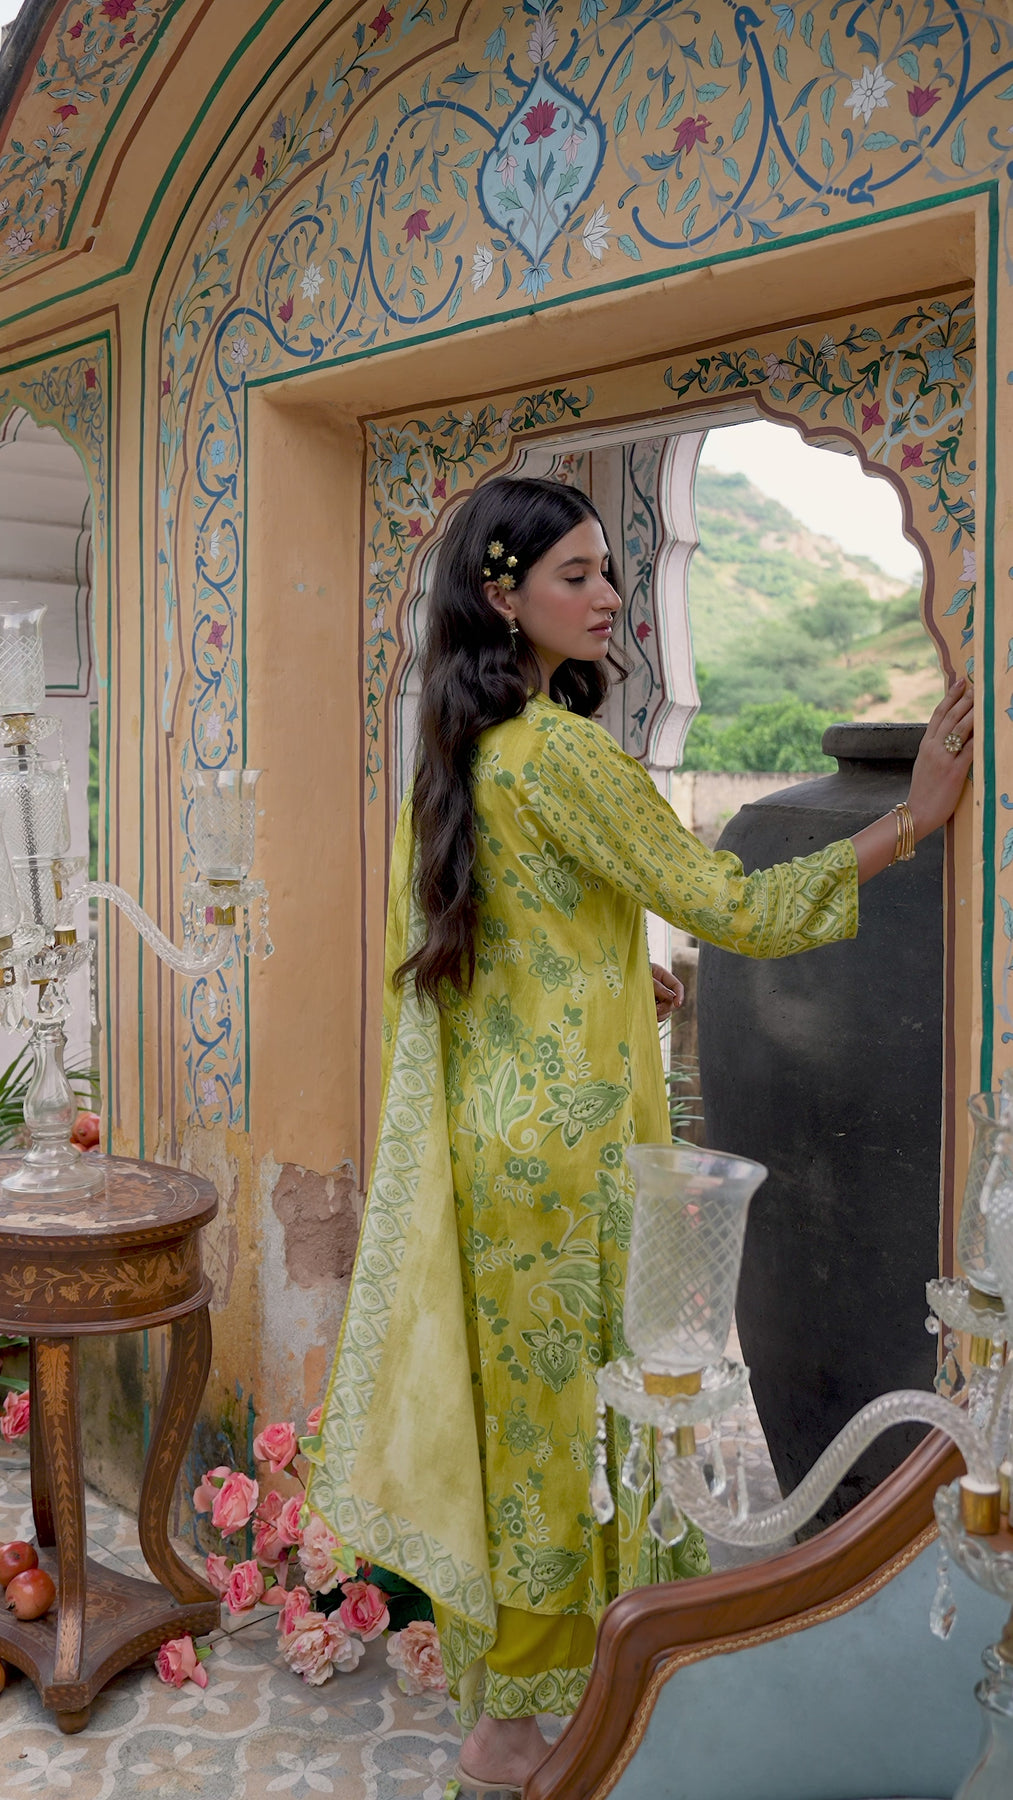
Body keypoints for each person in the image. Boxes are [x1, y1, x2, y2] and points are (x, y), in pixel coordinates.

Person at [305, 475, 973, 1793]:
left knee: (527, 1426)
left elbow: (498, 947)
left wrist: (624, 978)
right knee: (577, 1431)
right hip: (568, 1165)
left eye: (612, 569)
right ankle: (537, 1730)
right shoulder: (560, 752)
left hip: (495, 1148)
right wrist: (914, 819)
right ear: (504, 596)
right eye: (577, 575)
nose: (610, 596)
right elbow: (731, 903)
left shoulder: (467, 753)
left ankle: (521, 1711)